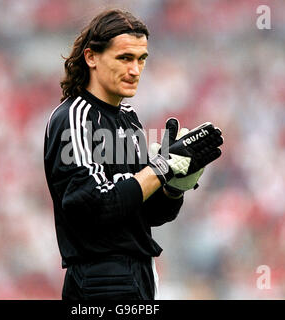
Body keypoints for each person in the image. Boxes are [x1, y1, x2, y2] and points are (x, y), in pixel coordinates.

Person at [44, 9, 223, 300]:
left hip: (138, 273)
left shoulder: (129, 117)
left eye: (142, 59)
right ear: (91, 57)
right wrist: (162, 166)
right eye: (125, 58)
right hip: (101, 277)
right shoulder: (75, 116)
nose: (135, 70)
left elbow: (145, 211)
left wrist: (175, 186)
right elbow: (91, 203)